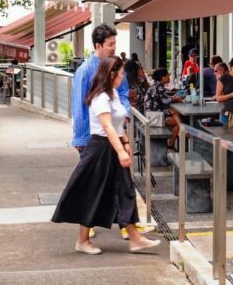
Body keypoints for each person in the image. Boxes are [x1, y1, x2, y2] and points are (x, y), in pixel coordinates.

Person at [51, 56, 161, 255]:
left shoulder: (113, 95)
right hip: (100, 149)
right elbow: (107, 126)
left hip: (112, 146)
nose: (122, 78)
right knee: (92, 193)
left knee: (125, 189)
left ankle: (135, 238)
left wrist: (125, 143)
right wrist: (120, 150)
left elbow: (118, 124)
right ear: (111, 75)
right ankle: (82, 241)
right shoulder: (101, 97)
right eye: (120, 74)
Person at [71, 24, 150, 240]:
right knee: (94, 185)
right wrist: (80, 138)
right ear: (98, 45)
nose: (114, 48)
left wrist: (121, 113)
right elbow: (79, 107)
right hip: (94, 137)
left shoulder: (115, 68)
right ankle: (88, 230)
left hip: (112, 134)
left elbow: (123, 94)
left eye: (115, 43)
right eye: (110, 44)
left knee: (119, 183)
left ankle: (128, 228)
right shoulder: (86, 70)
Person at [144, 68, 184, 150]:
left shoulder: (156, 86)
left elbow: (163, 99)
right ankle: (181, 133)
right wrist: (175, 99)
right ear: (163, 77)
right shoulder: (158, 87)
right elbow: (164, 101)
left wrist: (173, 99)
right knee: (177, 119)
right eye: (167, 76)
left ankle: (170, 145)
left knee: (175, 116)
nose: (169, 77)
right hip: (154, 117)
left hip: (153, 114)